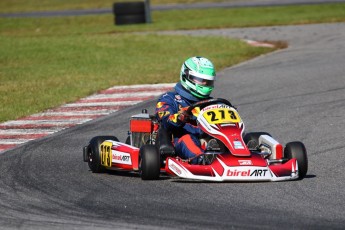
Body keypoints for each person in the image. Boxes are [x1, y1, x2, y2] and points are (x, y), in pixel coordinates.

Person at [155, 56, 216, 164]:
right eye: (201, 80)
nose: (205, 84)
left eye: (208, 82)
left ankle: (247, 152)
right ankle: (201, 159)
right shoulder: (169, 98)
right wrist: (180, 117)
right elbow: (164, 119)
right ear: (186, 77)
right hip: (180, 139)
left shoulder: (213, 103)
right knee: (187, 139)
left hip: (209, 137)